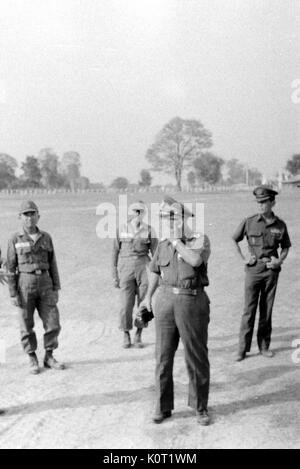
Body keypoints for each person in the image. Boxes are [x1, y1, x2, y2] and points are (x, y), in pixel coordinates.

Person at [141, 196, 211, 425]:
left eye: (173, 217)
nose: (169, 221)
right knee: (162, 357)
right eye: (164, 218)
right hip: (165, 301)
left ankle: (200, 407)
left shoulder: (198, 239)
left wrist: (177, 242)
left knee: (196, 356)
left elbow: (195, 261)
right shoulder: (162, 244)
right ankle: (162, 406)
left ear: (184, 218)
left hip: (192, 301)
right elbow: (154, 270)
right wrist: (146, 298)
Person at [232, 185, 291, 361]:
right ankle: (242, 350)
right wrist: (243, 259)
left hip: (271, 271)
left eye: (265, 202)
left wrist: (279, 260)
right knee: (248, 310)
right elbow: (234, 240)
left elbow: (286, 246)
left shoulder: (280, 225)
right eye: (259, 202)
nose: (261, 205)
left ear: (273, 202)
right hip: (253, 270)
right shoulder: (249, 221)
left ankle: (264, 346)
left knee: (267, 309)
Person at [6, 200, 65, 374]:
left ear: (38, 216)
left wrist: (56, 287)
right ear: (20, 217)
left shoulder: (46, 237)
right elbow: (10, 267)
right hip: (25, 283)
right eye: (26, 214)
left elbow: (53, 263)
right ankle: (32, 357)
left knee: (53, 321)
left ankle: (49, 356)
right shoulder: (15, 239)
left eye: (33, 214)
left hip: (45, 283)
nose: (30, 218)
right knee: (26, 323)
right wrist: (12, 293)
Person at [112, 201, 157, 348]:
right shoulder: (121, 229)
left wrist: (157, 273)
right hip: (126, 267)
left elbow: (156, 253)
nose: (137, 213)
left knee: (143, 301)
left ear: (144, 213)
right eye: (135, 210)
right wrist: (114, 274)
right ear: (130, 212)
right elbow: (115, 251)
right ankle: (125, 333)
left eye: (141, 211)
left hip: (144, 265)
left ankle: (139, 334)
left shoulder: (149, 230)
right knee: (126, 304)